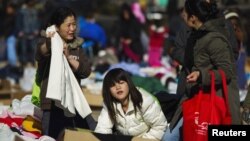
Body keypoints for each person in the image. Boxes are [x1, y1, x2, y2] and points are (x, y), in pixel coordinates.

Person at [163, 0, 241, 140]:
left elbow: (227, 71)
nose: (183, 15)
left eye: (185, 12)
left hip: (214, 101)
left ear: (193, 17)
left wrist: (201, 75)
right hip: (194, 97)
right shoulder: (193, 34)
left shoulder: (214, 38)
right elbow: (184, 55)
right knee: (171, 137)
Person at [35, 7, 95, 139]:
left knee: (91, 133)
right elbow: (41, 53)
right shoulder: (47, 42)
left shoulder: (76, 46)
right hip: (51, 105)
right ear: (57, 27)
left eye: (74, 24)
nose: (72, 29)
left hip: (74, 103)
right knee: (52, 137)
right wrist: (51, 43)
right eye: (68, 25)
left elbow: (86, 71)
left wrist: (69, 59)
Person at [95, 68, 167, 140]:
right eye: (113, 85)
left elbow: (159, 127)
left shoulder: (144, 100)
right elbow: (102, 128)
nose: (118, 87)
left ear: (128, 83)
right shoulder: (109, 102)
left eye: (121, 82)